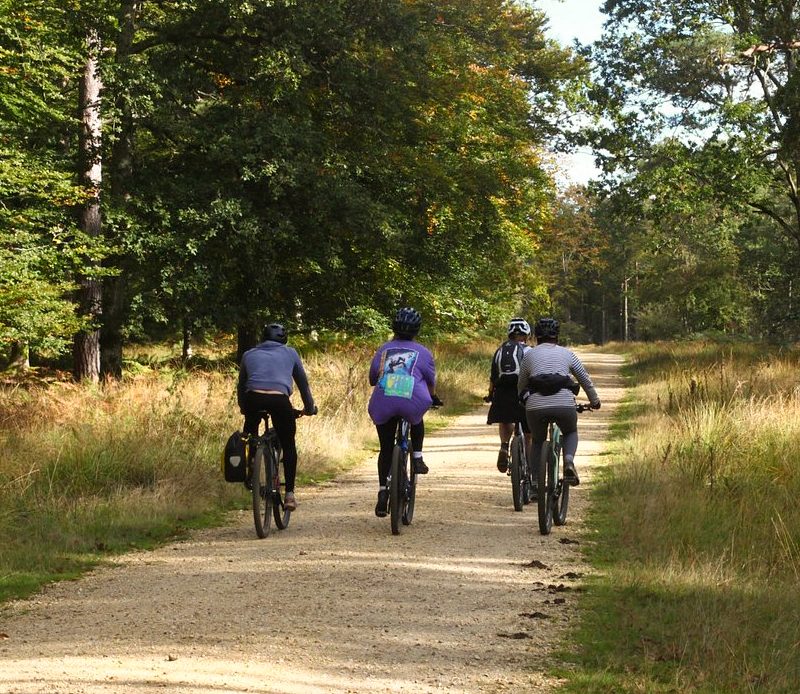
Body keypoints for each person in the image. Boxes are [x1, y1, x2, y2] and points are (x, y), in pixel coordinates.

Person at [368, 307, 441, 517]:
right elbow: (430, 382)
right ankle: (417, 457)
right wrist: (433, 397)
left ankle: (383, 492)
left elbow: (373, 378)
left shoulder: (384, 349)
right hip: (412, 401)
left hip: (384, 401)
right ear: (417, 330)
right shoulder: (424, 352)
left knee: (385, 449)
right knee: (416, 418)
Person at [238, 322, 317, 511]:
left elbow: (241, 385)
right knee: (288, 444)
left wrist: (244, 407)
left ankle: (249, 470)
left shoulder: (249, 354)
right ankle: (289, 494)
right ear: (284, 339)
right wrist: (309, 407)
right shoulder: (290, 353)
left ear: (262, 338)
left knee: (249, 434)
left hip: (252, 399)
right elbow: (303, 384)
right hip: (279, 401)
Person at [517, 317, 600, 486]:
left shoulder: (529, 355)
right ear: (557, 336)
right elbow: (584, 379)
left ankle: (534, 484)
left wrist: (522, 399)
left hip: (535, 406)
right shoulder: (568, 354)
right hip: (564, 405)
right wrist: (594, 400)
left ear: (536, 336)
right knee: (570, 432)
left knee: (538, 441)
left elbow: (521, 384)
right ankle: (568, 461)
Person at [486, 317, 532, 473]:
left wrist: (491, 395)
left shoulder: (500, 351)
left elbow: (493, 378)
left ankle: (504, 446)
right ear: (526, 335)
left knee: (505, 420)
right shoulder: (529, 351)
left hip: (503, 394)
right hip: (523, 393)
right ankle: (530, 472)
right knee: (528, 434)